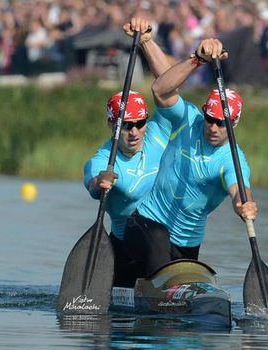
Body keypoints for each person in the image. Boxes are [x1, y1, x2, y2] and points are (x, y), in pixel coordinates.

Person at [123, 38, 258, 277]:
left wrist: (244, 204)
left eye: (220, 123)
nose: (213, 127)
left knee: (179, 290)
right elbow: (160, 90)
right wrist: (197, 59)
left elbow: (239, 189)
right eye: (210, 119)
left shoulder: (231, 159)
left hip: (186, 244)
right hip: (146, 224)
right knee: (159, 238)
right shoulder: (190, 119)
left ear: (234, 124)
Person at [83, 17, 172, 287]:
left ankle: (171, 286)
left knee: (163, 233)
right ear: (112, 125)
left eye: (139, 124)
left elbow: (169, 85)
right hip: (125, 252)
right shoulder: (104, 158)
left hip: (163, 246)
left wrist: (145, 41)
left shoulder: (157, 132)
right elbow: (92, 182)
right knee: (153, 233)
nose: (134, 132)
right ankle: (161, 289)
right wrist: (101, 182)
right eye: (126, 126)